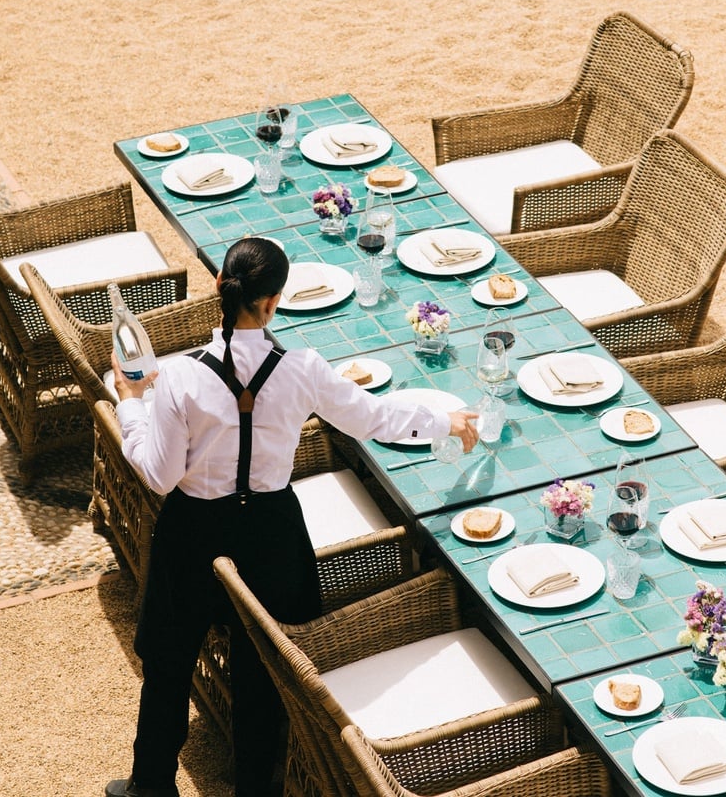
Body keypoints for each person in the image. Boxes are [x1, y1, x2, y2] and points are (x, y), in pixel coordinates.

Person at [105, 237, 479, 797]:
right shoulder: (301, 369)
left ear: (218, 288)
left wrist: (131, 401)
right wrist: (446, 420)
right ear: (274, 301)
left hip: (192, 529)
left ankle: (150, 785)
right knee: (263, 672)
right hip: (271, 533)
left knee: (168, 660)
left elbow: (158, 475)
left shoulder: (178, 376)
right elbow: (374, 417)